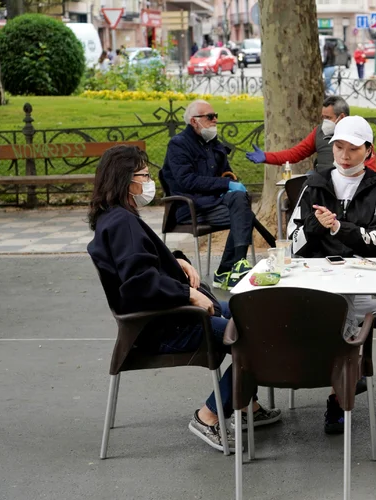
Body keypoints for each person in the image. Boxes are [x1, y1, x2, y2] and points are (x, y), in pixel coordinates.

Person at [87, 146, 281, 452]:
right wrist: (188, 293)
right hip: (168, 325)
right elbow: (139, 283)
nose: (149, 182)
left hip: (170, 315)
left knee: (256, 315)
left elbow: (141, 264)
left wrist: (177, 261)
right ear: (126, 180)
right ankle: (210, 415)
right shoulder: (122, 222)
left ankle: (245, 406)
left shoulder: (113, 218)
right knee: (260, 338)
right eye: (144, 176)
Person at [286, 116, 376, 434]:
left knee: (343, 307)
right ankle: (346, 377)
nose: (344, 155)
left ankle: (338, 391)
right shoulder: (315, 183)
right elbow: (292, 239)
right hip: (319, 277)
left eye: (353, 148)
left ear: (368, 150)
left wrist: (339, 227)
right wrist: (316, 225)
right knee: (322, 305)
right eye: (338, 147)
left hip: (365, 280)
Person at [160, 100, 255, 291]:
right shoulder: (178, 145)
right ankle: (232, 268)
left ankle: (231, 268)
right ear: (194, 121)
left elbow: (226, 174)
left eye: (216, 116)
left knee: (241, 204)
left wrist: (230, 183)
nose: (215, 121)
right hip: (190, 207)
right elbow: (187, 181)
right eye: (210, 117)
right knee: (245, 214)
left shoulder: (214, 144)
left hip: (214, 203)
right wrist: (226, 184)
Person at [244, 96, 376, 172]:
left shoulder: (359, 133)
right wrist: (266, 157)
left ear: (341, 117)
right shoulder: (318, 132)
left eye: (328, 118)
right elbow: (295, 154)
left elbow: (370, 168)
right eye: (323, 117)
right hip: (321, 181)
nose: (324, 122)